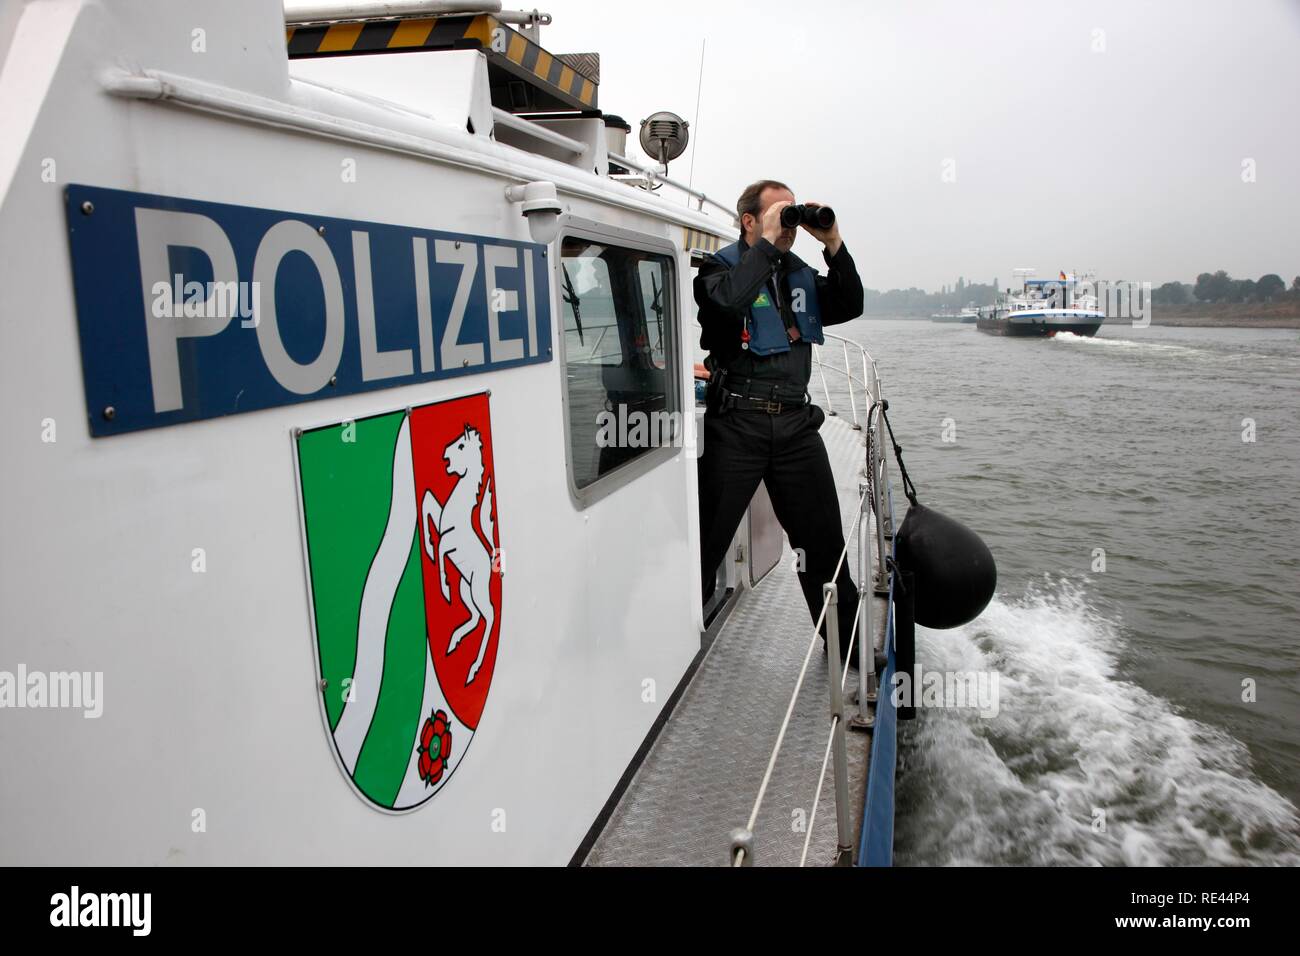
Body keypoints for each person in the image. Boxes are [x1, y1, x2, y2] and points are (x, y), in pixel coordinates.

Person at [694, 179, 865, 659]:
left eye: (792, 214)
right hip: (738, 425)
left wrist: (831, 242)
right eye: (778, 214)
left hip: (795, 426)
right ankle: (683, 639)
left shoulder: (800, 273)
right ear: (750, 220)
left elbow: (850, 302)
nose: (788, 223)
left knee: (824, 545)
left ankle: (845, 650)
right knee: (708, 542)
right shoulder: (717, 270)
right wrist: (767, 246)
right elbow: (728, 302)